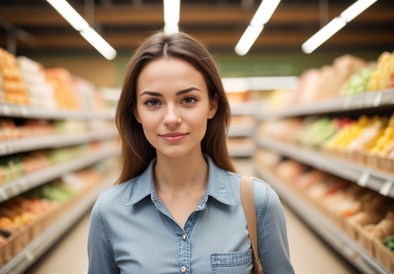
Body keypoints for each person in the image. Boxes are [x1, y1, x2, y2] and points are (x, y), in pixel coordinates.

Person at [87, 31, 294, 274]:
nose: (172, 118)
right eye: (153, 102)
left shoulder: (258, 203)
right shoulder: (109, 211)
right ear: (136, 112)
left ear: (212, 105)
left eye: (188, 100)